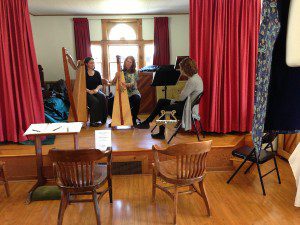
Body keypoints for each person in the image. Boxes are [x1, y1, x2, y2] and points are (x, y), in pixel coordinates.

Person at [136, 57, 203, 139]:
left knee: (162, 109)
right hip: (185, 104)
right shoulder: (196, 78)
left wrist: (179, 95)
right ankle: (147, 122)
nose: (180, 71)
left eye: (181, 69)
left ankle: (161, 133)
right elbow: (182, 97)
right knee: (161, 101)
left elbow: (181, 98)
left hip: (186, 108)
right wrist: (178, 96)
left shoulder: (192, 81)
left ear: (186, 69)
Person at [109, 56, 141, 126]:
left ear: (133, 64)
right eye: (127, 61)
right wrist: (116, 76)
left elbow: (133, 83)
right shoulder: (120, 72)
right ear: (125, 62)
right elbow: (112, 83)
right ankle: (115, 120)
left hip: (133, 93)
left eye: (130, 62)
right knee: (110, 101)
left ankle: (134, 119)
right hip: (122, 93)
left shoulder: (135, 72)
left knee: (137, 98)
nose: (128, 63)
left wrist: (125, 84)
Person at [85, 57, 108, 127]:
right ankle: (93, 121)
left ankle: (103, 118)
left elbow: (100, 84)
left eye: (93, 62)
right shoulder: (83, 74)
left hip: (96, 90)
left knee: (103, 97)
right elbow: (82, 86)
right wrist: (89, 91)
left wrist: (96, 90)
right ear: (86, 64)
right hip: (87, 92)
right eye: (91, 63)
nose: (93, 64)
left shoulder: (97, 73)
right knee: (94, 101)